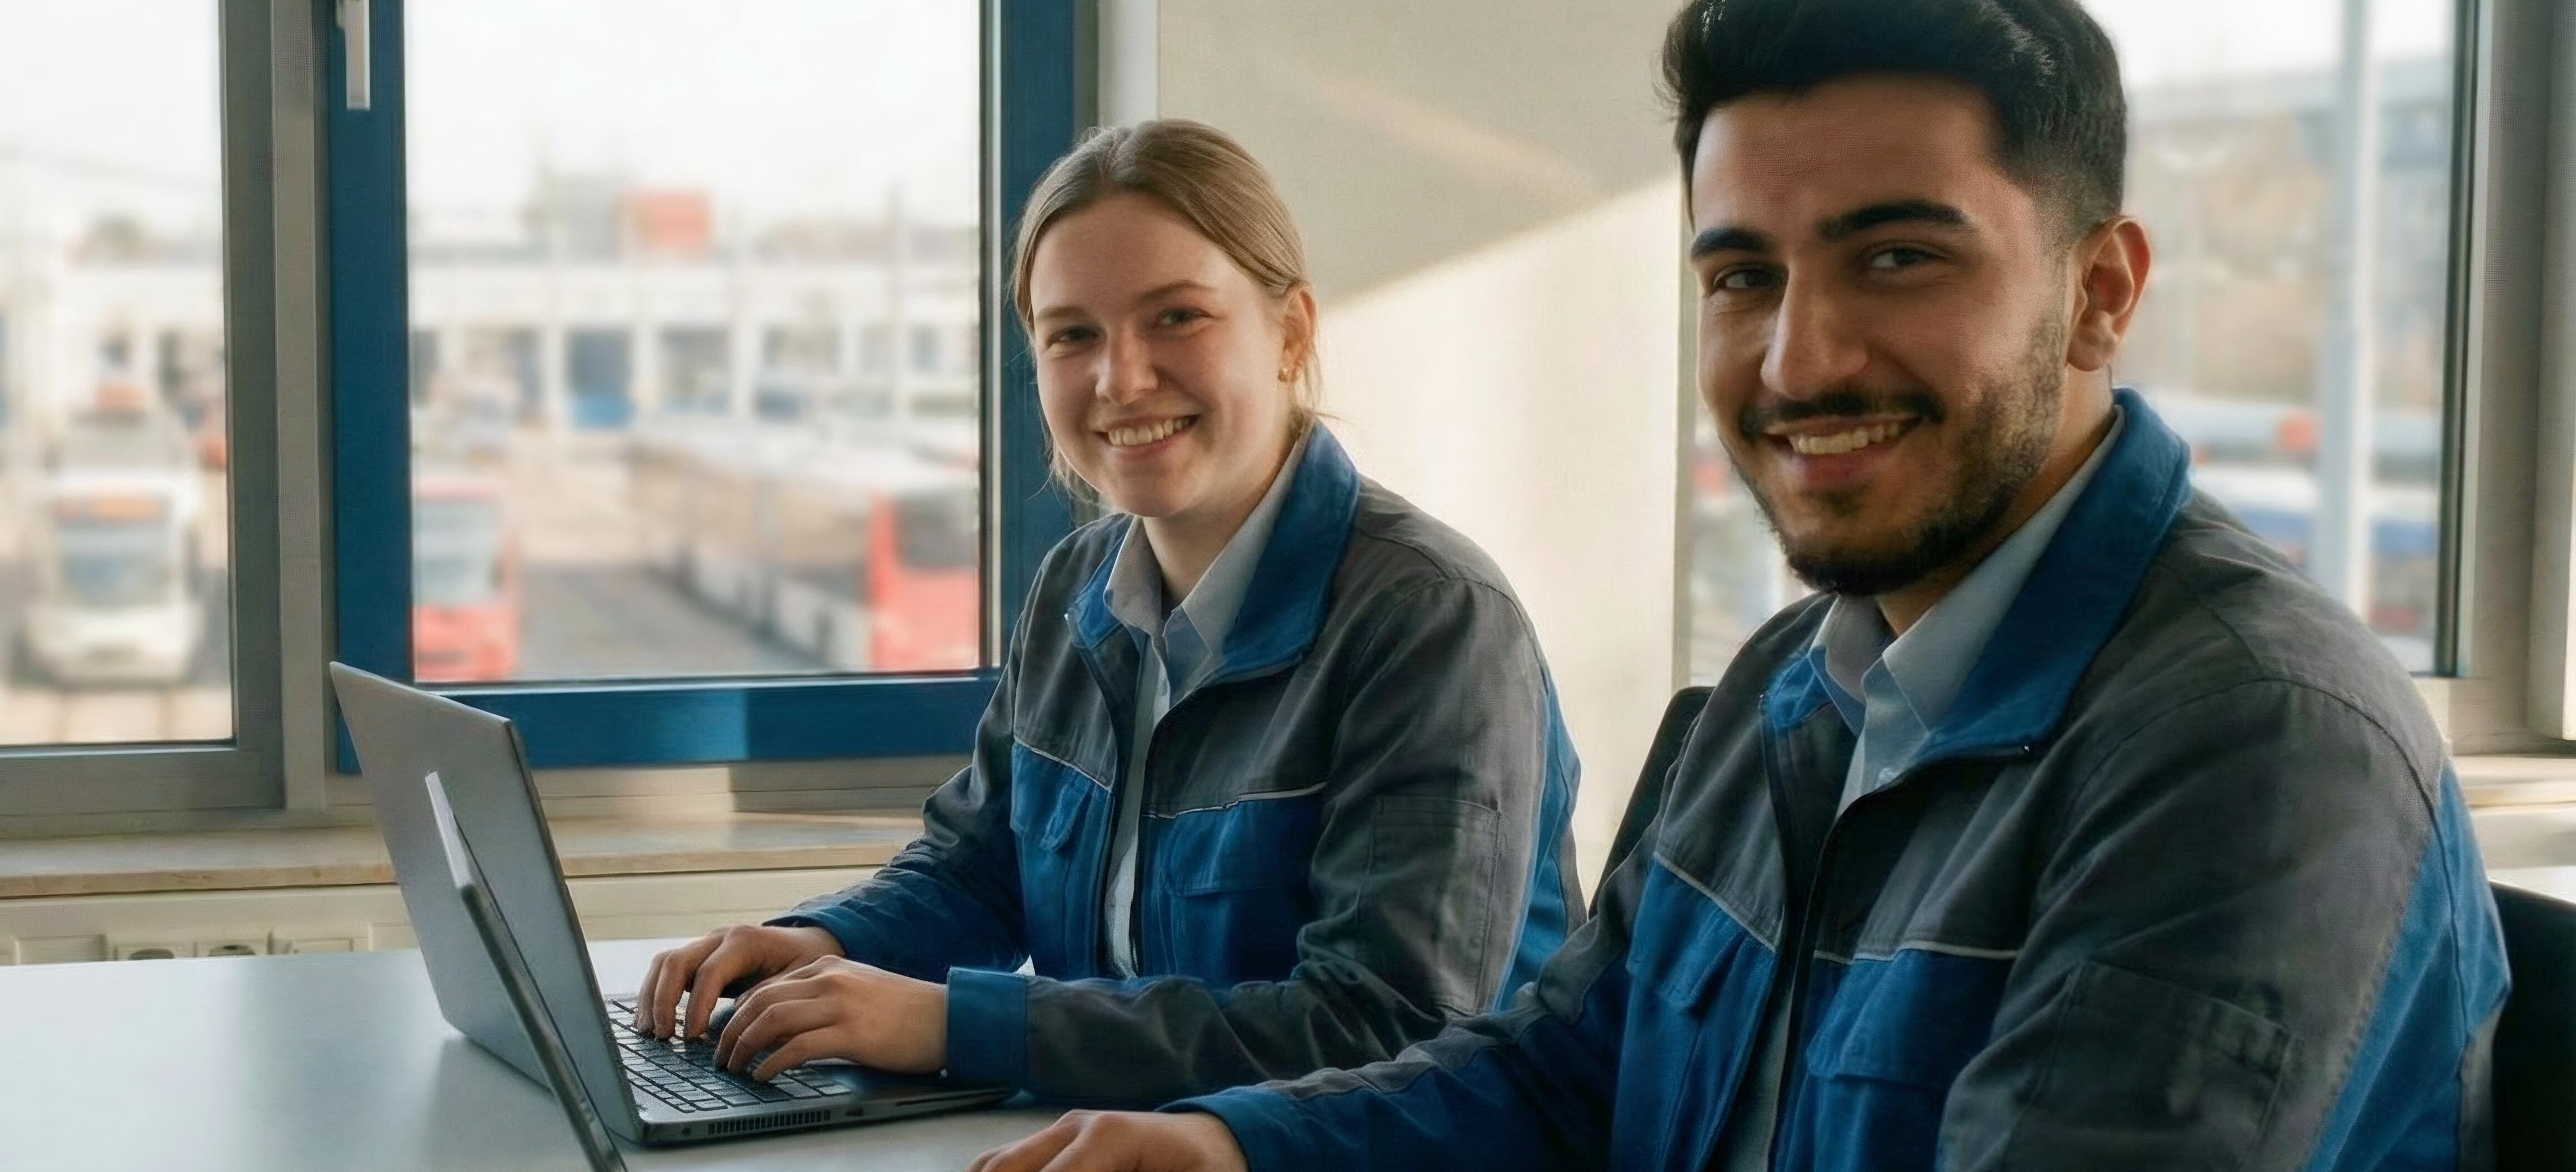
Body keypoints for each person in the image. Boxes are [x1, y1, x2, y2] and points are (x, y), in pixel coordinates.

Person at [967, 1, 2508, 1168]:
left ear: (2097, 293)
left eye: (1896, 258)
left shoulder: (2260, 744)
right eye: (1741, 276)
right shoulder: (1796, 680)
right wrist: (1233, 1146)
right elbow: (1571, 1062)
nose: (1798, 358)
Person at [630, 118, 1586, 1109]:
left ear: (1291, 332)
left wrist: (956, 1023)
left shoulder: (1431, 621)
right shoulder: (1076, 585)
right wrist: (820, 946)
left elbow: (1385, 1025)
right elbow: (983, 866)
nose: (1119, 379)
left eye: (1177, 318)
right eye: (1072, 334)